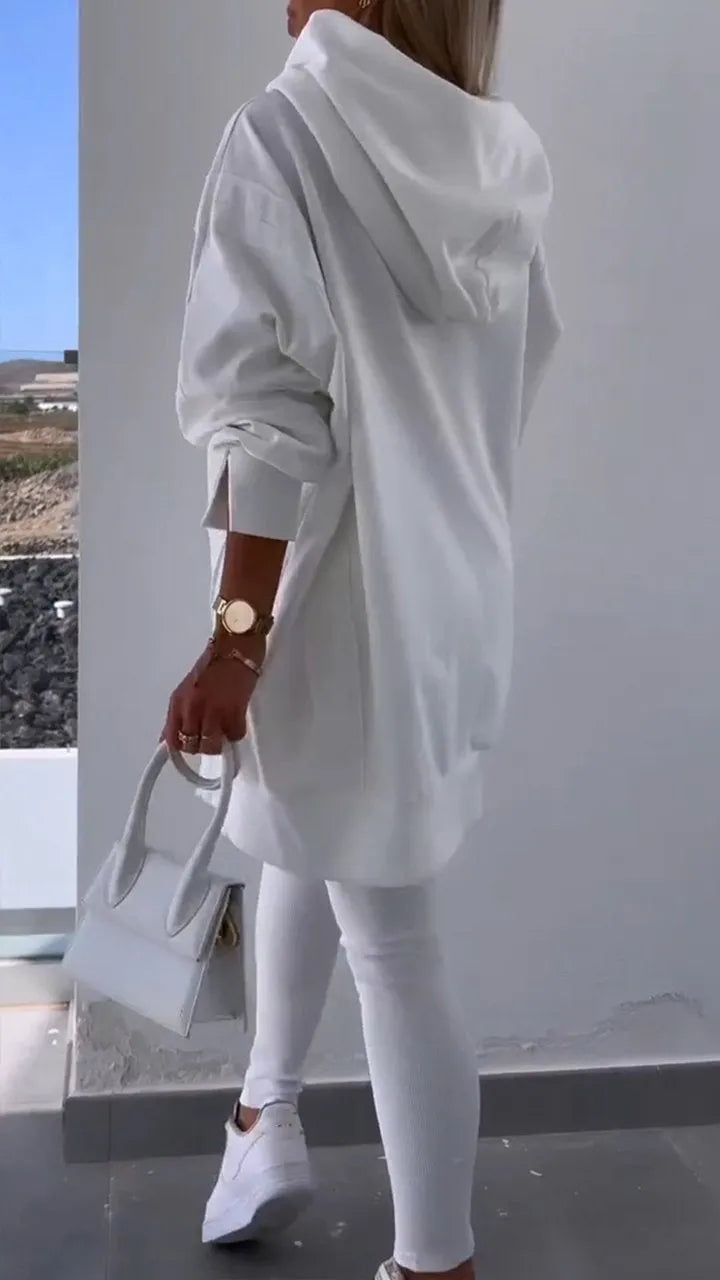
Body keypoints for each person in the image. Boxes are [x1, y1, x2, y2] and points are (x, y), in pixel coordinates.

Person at [163, 2, 561, 1277]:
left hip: (333, 602)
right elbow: (513, 376)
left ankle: (436, 1260)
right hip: (454, 592)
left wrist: (236, 639)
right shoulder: (501, 155)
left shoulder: (282, 133)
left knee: (394, 942)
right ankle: (262, 1109)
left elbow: (264, 419)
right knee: (317, 834)